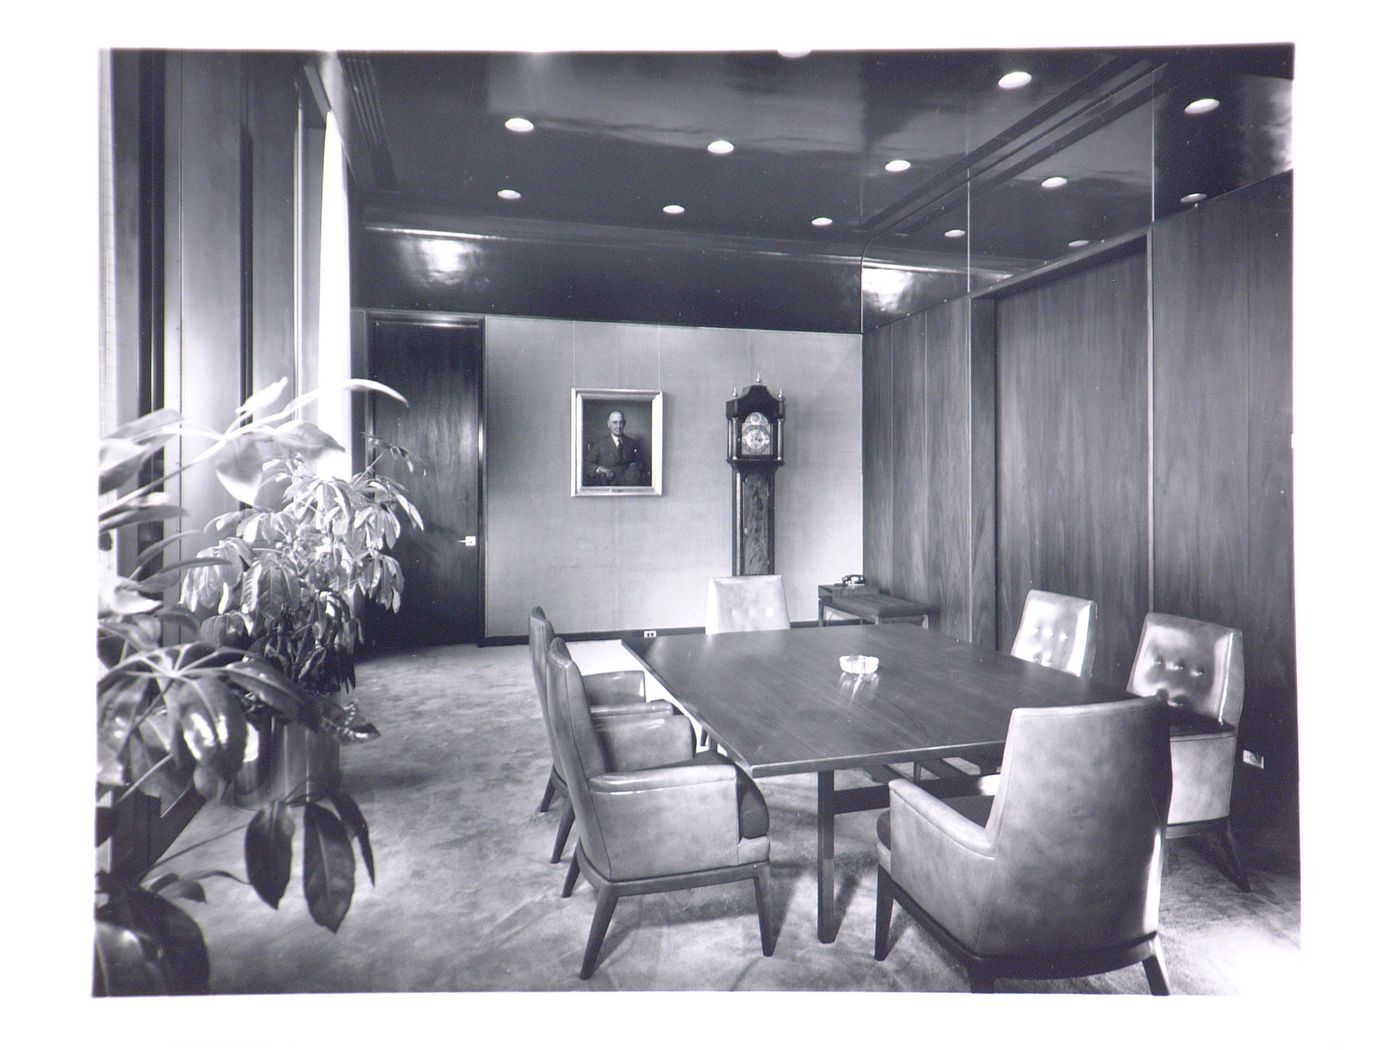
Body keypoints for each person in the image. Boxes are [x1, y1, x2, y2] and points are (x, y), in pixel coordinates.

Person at [584, 409, 649, 486]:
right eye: (615, 423)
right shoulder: (599, 444)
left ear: (624, 424)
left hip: (629, 485)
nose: (618, 426)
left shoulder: (632, 443)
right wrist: (600, 469)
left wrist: (635, 466)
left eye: (620, 422)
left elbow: (641, 464)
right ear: (609, 424)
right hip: (608, 484)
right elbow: (587, 464)